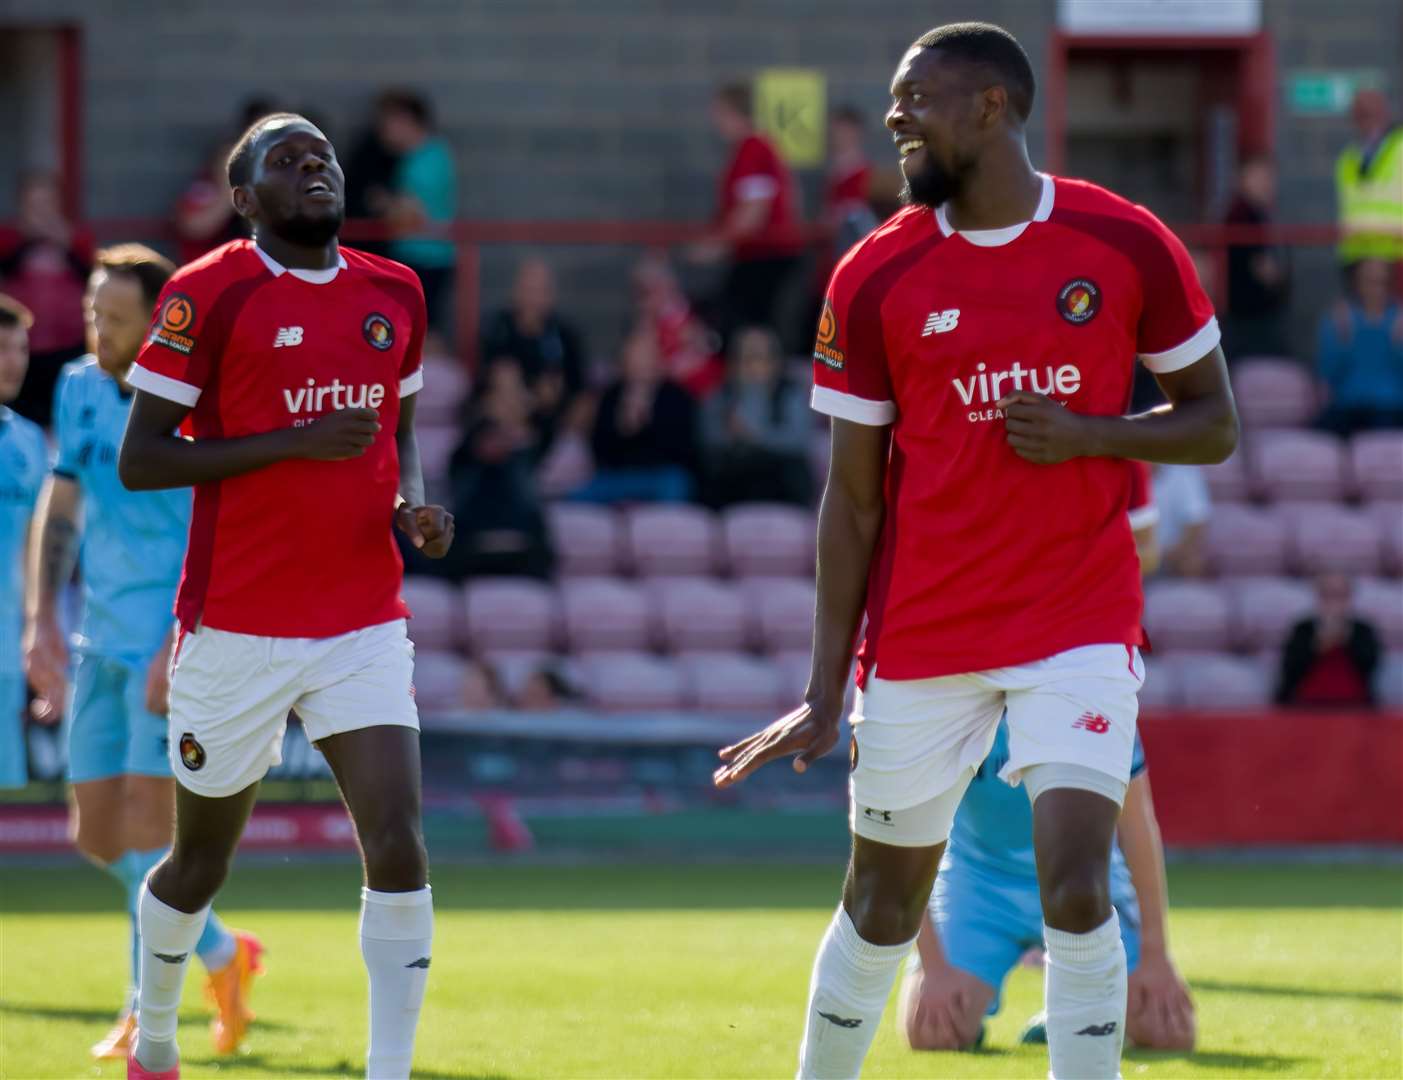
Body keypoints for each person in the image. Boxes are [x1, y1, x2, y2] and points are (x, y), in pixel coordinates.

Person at [711, 23, 1237, 1080]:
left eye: (916, 100)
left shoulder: (1123, 241)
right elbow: (849, 503)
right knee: (879, 904)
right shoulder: (869, 276)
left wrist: (1092, 433)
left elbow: (1212, 421)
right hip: (921, 636)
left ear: (991, 107)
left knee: (1078, 887)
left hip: (1075, 622)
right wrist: (822, 689)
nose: (896, 118)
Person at [115, 113, 455, 1080]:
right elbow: (142, 461)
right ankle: (158, 1038)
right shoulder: (205, 293)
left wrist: (413, 508)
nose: (315, 168)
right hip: (235, 628)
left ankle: (389, 1067)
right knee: (199, 865)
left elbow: (404, 430)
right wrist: (290, 444)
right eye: (287, 160)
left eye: (324, 157)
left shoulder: (396, 290)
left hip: (362, 622)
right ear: (245, 198)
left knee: (399, 845)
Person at [22, 245, 262, 1060]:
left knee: (150, 840)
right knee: (95, 836)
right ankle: (226, 953)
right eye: (93, 312)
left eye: (114, 317)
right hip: (95, 639)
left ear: (159, 320)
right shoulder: (78, 386)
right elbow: (60, 506)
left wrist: (177, 640)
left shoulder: (190, 403)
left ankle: (141, 1010)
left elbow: (217, 531)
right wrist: (39, 619)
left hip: (169, 644)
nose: (98, 328)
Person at [900, 471, 1193, 1054]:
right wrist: (931, 968)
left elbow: (1138, 829)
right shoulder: (941, 680)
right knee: (933, 1034)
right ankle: (1003, 992)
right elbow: (901, 832)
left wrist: (1158, 956)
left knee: (1166, 1033)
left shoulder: (1089, 674)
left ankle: (1063, 1007)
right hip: (978, 881)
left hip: (1090, 876)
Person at [413, 357, 553, 581]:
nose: (508, 401)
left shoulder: (540, 445)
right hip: (471, 547)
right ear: (485, 400)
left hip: (525, 547)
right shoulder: (466, 451)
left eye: (514, 391)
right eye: (500, 392)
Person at [691, 82, 806, 341]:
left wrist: (715, 246)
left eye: (719, 112)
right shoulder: (753, 148)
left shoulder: (753, 148)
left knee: (746, 322)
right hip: (760, 252)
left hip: (767, 253)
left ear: (733, 113)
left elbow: (753, 213)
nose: (715, 120)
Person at [0, 173, 93, 427]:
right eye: (33, 205)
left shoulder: (77, 239)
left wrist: (64, 241)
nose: (40, 212)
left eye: (47, 204)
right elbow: (7, 268)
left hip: (68, 345)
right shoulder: (9, 238)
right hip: (23, 346)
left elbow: (91, 275)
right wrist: (28, 238)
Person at [0, 296, 48, 790]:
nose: (14, 361)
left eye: (20, 348)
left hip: (8, 648)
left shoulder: (30, 443)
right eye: (1, 348)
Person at [570, 324, 699, 504]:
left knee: (677, 484)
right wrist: (622, 427)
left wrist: (647, 423)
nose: (640, 362)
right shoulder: (611, 396)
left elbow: (683, 450)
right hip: (618, 476)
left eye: (645, 355)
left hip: (660, 475)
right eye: (634, 354)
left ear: (658, 359)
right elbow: (598, 450)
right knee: (578, 497)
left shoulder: (676, 396)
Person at [376, 89, 458, 342]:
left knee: (422, 330)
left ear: (406, 120)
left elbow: (410, 212)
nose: (384, 130)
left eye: (389, 122)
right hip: (413, 258)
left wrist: (382, 202)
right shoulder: (414, 158)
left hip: (428, 259)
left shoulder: (430, 157)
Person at [480, 257, 590, 444]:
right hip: (509, 414)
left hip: (555, 419)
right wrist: (532, 398)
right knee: (497, 406)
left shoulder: (565, 335)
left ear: (551, 295)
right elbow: (500, 380)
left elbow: (576, 389)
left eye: (541, 291)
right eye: (528, 290)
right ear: (515, 292)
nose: (534, 298)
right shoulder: (498, 329)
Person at [701, 325, 813, 508]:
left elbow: (798, 441)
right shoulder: (719, 395)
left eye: (759, 358)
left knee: (793, 469)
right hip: (736, 475)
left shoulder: (791, 393)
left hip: (780, 477)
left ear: (775, 363)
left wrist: (754, 435)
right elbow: (710, 440)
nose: (752, 366)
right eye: (745, 358)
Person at [1316, 258, 1403, 436]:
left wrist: (1398, 345)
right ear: (1357, 283)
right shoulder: (1339, 318)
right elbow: (1327, 373)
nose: (1376, 290)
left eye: (1381, 283)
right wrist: (1343, 340)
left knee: (1383, 430)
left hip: (1391, 407)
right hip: (1346, 406)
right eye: (1369, 281)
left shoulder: (1399, 320)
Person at [1276, 573, 1381, 707]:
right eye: (1328, 595)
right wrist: (1317, 645)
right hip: (1307, 707)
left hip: (1354, 707)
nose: (1333, 602)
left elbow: (1370, 667)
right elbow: (1290, 670)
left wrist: (1347, 638)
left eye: (1339, 595)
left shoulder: (1362, 630)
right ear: (1318, 596)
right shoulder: (1303, 629)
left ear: (1349, 597)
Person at [1222, 156, 1289, 359]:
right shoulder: (1242, 216)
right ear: (1241, 180)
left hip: (1257, 315)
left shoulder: (1262, 215)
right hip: (1248, 318)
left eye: (1268, 177)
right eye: (1257, 177)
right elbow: (1265, 270)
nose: (1265, 184)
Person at [1336, 89, 1403, 269]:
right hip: (1356, 259)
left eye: (1370, 113)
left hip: (1395, 257)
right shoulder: (1347, 159)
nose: (1365, 120)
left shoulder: (1400, 147)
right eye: (1360, 114)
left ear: (1384, 112)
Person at [1152, 464, 1212, 578]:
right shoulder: (1123, 473)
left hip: (1172, 559)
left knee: (1192, 563)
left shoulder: (1185, 472)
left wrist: (1172, 555)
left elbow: (1196, 523)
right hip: (1132, 559)